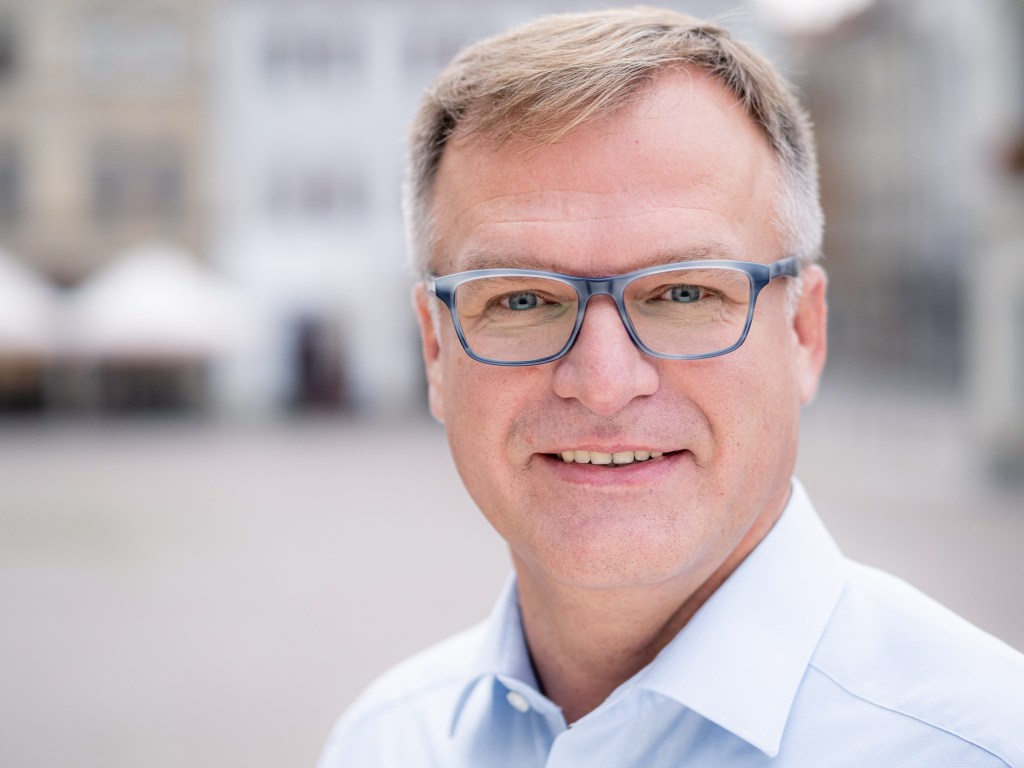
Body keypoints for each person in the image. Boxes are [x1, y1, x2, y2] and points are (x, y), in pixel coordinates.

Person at [318, 7, 1024, 766]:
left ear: (805, 335)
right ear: (434, 350)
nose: (603, 384)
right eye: (521, 299)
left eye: (683, 294)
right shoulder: (384, 742)